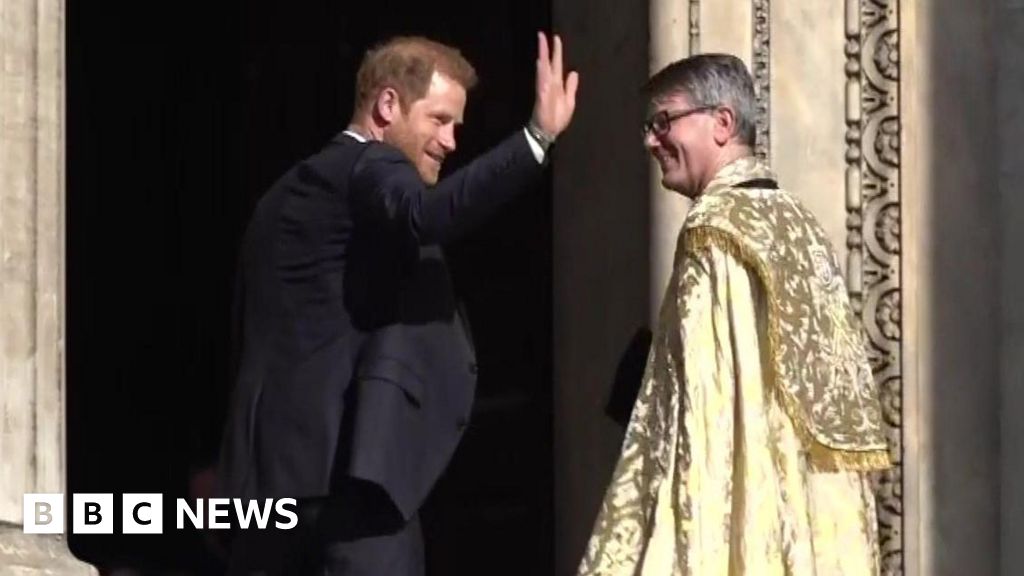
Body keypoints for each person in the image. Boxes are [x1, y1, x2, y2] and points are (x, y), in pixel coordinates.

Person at [217, 33, 578, 575]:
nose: (452, 141)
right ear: (387, 105)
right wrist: (536, 139)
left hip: (263, 493)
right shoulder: (370, 167)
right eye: (439, 120)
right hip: (350, 488)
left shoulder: (277, 202)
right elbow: (426, 215)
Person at [577, 54, 890, 575]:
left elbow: (703, 401)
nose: (650, 141)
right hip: (807, 513)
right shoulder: (798, 222)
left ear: (722, 123)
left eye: (663, 122)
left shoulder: (713, 228)